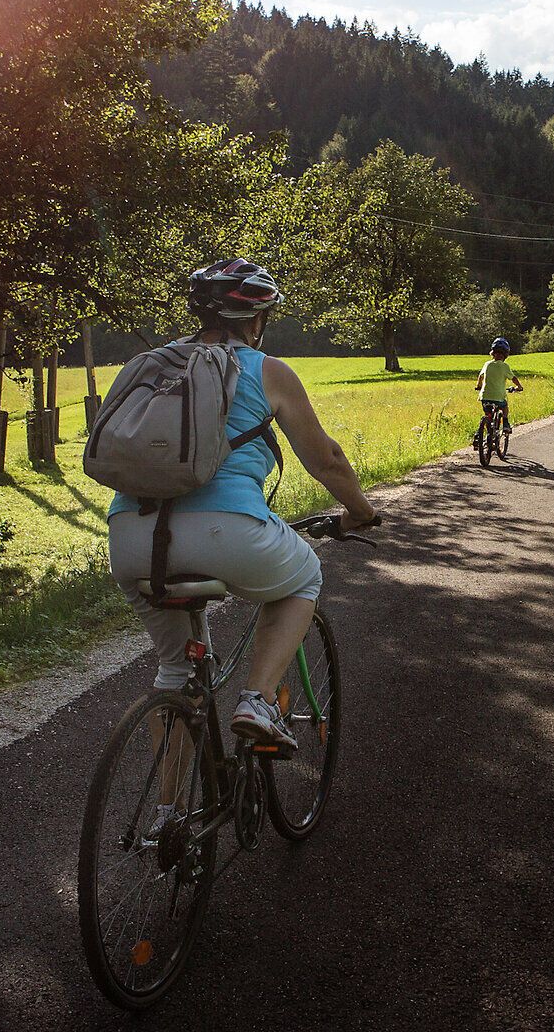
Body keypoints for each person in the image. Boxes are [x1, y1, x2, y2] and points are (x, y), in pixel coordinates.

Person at [105, 258, 378, 752]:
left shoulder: (150, 365)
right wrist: (360, 510)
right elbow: (328, 461)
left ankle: (166, 819)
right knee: (305, 577)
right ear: (256, 320)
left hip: (130, 537)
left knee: (176, 670)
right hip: (226, 532)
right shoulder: (265, 369)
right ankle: (258, 699)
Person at [472, 336, 523, 446]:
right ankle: (505, 423)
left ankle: (478, 435)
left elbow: (480, 377)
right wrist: (519, 387)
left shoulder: (487, 364)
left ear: (492, 353)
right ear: (506, 354)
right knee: (504, 406)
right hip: (499, 397)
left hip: (485, 397)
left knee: (488, 415)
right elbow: (513, 378)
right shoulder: (504, 366)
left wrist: (478, 386)